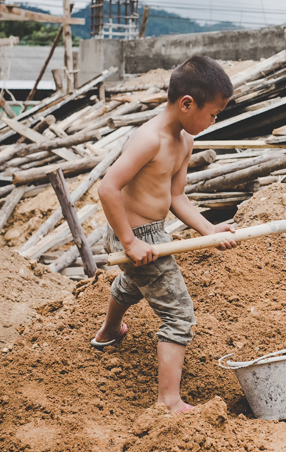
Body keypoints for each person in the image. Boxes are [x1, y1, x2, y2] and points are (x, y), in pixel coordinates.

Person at [91, 55, 238, 412]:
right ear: (187, 104)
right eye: (214, 113)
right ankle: (168, 400)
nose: (214, 121)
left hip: (154, 233)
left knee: (133, 283)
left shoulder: (184, 142)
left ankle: (109, 331)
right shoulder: (150, 139)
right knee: (179, 313)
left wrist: (209, 229)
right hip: (133, 233)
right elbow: (107, 188)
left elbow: (176, 197)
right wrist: (129, 241)